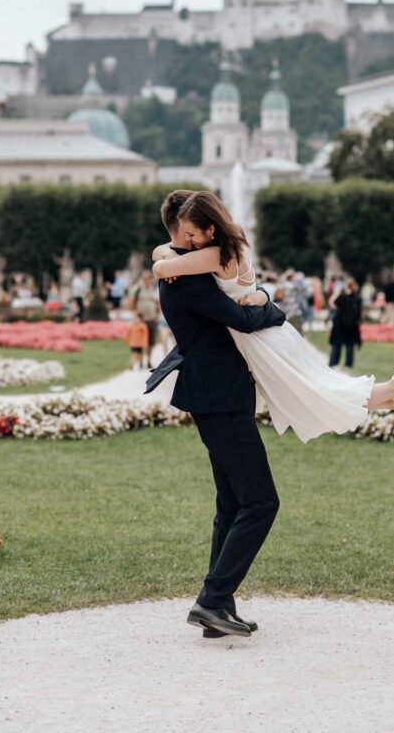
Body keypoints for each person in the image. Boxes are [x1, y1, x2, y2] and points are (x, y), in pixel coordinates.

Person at [152, 190, 394, 446]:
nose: (188, 242)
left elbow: (160, 268)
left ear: (210, 229)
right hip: (270, 337)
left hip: (263, 341)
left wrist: (168, 259)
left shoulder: (215, 255)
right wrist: (168, 254)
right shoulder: (234, 245)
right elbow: (163, 251)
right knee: (316, 397)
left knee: (317, 398)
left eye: (192, 234)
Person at [146, 190, 286, 640]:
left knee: (231, 504)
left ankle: (218, 608)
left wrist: (260, 297)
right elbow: (242, 320)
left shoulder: (181, 266)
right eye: (188, 235)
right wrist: (272, 308)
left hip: (219, 394)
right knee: (261, 501)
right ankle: (211, 599)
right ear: (179, 230)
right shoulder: (184, 277)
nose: (194, 242)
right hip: (219, 395)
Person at [329, 278, 363, 369]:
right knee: (350, 345)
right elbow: (359, 312)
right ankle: (348, 365)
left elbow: (332, 303)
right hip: (352, 325)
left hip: (340, 323)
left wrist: (338, 292)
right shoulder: (358, 298)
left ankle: (333, 363)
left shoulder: (342, 296)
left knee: (337, 344)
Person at [130, 270, 159, 366]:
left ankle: (149, 360)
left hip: (151, 319)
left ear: (150, 279)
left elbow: (158, 303)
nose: (145, 280)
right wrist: (135, 315)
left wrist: (157, 315)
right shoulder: (137, 289)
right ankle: (141, 361)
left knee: (151, 342)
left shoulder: (154, 289)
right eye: (144, 278)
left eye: (147, 278)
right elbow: (131, 303)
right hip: (141, 320)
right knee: (141, 342)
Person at [274, 268, 306, 335]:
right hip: (293, 308)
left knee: (289, 326)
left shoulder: (282, 285)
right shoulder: (293, 285)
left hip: (286, 308)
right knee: (296, 326)